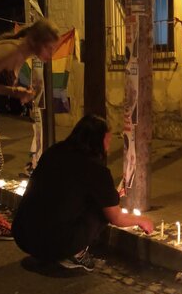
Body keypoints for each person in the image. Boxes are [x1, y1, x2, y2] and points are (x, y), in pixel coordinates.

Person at [12, 115, 154, 271]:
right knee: (101, 211)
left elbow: (64, 189)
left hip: (23, 234)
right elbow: (116, 217)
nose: (109, 145)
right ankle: (76, 254)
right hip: (53, 244)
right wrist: (141, 220)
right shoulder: (95, 170)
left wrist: (108, 195)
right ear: (97, 141)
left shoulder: (54, 151)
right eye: (108, 140)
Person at [0, 19, 59, 241]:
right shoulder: (12, 50)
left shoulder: (20, 49)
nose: (51, 53)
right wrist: (12, 91)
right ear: (37, 41)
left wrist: (19, 91)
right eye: (49, 48)